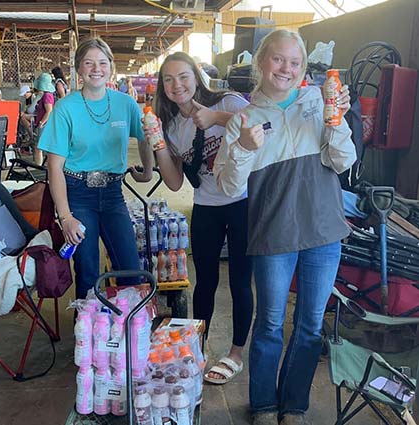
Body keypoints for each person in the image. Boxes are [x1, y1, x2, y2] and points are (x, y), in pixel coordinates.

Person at [214, 29, 356, 425]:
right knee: (271, 323)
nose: (287, 69)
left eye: (295, 62)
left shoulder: (318, 101)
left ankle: (293, 405)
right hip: (275, 235)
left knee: (311, 326)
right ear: (261, 62)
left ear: (303, 66)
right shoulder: (243, 119)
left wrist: (337, 123)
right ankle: (262, 404)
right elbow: (228, 186)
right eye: (278, 59)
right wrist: (243, 147)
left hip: (324, 232)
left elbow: (344, 161)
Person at [147, 51, 253, 385]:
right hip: (206, 205)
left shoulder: (231, 102)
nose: (177, 85)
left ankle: (236, 353)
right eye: (168, 79)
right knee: (204, 281)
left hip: (243, 202)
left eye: (183, 76)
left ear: (196, 77)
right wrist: (158, 144)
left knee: (240, 279)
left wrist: (216, 118)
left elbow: (262, 127)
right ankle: (200, 347)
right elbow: (176, 181)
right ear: (162, 87)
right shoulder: (172, 125)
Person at [38, 38, 153, 300]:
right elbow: (54, 166)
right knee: (88, 271)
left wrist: (147, 171)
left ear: (111, 67)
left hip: (113, 194)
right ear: (79, 69)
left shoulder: (126, 104)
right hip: (78, 193)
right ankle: (88, 333)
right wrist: (66, 217)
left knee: (131, 271)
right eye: (88, 63)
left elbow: (144, 137)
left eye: (102, 62)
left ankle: (127, 330)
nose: (96, 68)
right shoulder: (66, 108)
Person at [33, 73, 55, 165]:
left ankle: (39, 166)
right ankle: (40, 165)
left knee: (39, 147)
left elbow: (49, 111)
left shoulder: (47, 96)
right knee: (39, 147)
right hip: (44, 124)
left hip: (45, 124)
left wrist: (42, 122)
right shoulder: (45, 95)